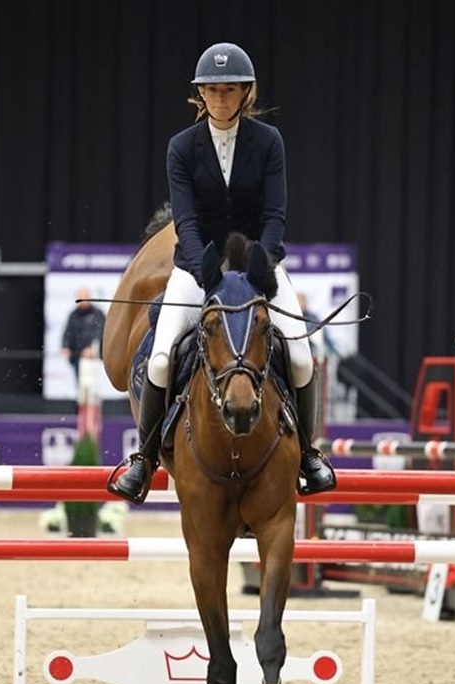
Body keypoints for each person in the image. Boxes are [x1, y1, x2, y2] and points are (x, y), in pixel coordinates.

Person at [111, 42, 336, 503]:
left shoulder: (268, 142)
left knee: (300, 356)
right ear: (200, 94)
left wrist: (259, 267)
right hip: (198, 269)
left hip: (259, 266)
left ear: (245, 93)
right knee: (160, 357)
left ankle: (308, 456)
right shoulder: (182, 147)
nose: (220, 98)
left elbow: (274, 215)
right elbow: (186, 220)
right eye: (212, 90)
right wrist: (205, 270)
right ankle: (144, 459)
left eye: (229, 89)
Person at [61, 287, 107, 386]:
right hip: (77, 356)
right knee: (81, 386)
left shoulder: (98, 314)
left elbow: (101, 332)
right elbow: (68, 332)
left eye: (85, 297)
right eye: (80, 297)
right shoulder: (73, 315)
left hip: (94, 358)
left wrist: (93, 348)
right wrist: (66, 346)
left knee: (91, 386)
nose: (83, 300)